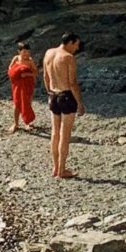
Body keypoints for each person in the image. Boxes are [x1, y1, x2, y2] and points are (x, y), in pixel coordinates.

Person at [42, 34, 84, 180]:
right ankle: (61, 169)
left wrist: (49, 92)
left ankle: (55, 168)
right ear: (69, 42)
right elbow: (72, 82)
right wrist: (79, 103)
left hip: (53, 95)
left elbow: (46, 77)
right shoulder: (68, 57)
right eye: (76, 45)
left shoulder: (48, 53)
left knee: (55, 133)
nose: (77, 48)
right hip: (66, 95)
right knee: (65, 135)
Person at [7, 41, 37, 134]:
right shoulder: (16, 59)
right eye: (24, 52)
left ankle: (27, 123)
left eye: (28, 52)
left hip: (27, 85)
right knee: (16, 104)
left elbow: (35, 73)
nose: (26, 54)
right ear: (19, 52)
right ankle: (16, 124)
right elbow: (10, 69)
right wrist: (16, 74)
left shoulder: (30, 61)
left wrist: (26, 74)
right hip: (17, 85)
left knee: (27, 103)